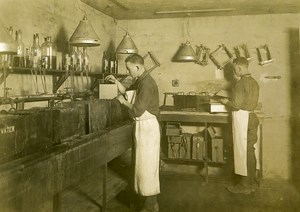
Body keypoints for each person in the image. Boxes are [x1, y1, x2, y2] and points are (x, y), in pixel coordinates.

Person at [105, 53, 160, 211]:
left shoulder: (146, 84)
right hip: (142, 127)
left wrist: (122, 102)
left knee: (147, 168)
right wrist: (116, 82)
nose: (128, 72)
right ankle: (145, 201)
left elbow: (136, 110)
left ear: (138, 67)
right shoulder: (140, 80)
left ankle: (151, 206)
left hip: (148, 128)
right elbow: (129, 93)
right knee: (142, 167)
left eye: (129, 69)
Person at [220, 57, 260, 194]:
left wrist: (226, 101)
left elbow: (236, 105)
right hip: (252, 117)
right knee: (250, 150)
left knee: (243, 151)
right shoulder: (254, 82)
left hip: (244, 119)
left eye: (234, 69)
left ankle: (244, 187)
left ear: (238, 67)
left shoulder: (240, 84)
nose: (234, 72)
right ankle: (252, 183)